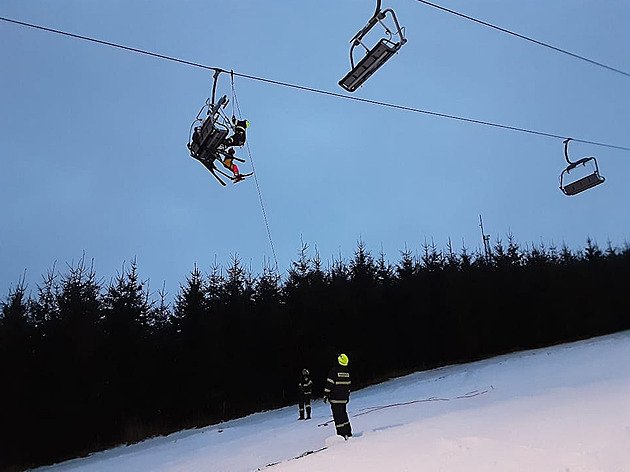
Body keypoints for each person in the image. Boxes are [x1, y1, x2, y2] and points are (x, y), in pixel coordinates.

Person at [323, 353, 352, 439]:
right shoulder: (347, 372)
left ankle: (341, 435)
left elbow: (329, 384)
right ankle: (348, 432)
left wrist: (325, 394)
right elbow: (349, 386)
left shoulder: (334, 371)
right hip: (344, 399)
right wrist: (347, 396)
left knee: (338, 417)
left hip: (335, 399)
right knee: (343, 414)